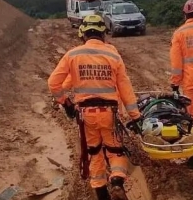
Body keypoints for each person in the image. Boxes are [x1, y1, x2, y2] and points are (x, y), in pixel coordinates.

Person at [48, 14, 143, 200]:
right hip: (110, 114)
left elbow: (54, 83)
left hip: (86, 116)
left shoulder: (73, 55)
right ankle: (116, 182)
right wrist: (136, 117)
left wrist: (65, 102)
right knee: (115, 151)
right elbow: (125, 88)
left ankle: (101, 193)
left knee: (94, 153)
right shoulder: (113, 55)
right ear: (103, 33)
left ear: (82, 33)